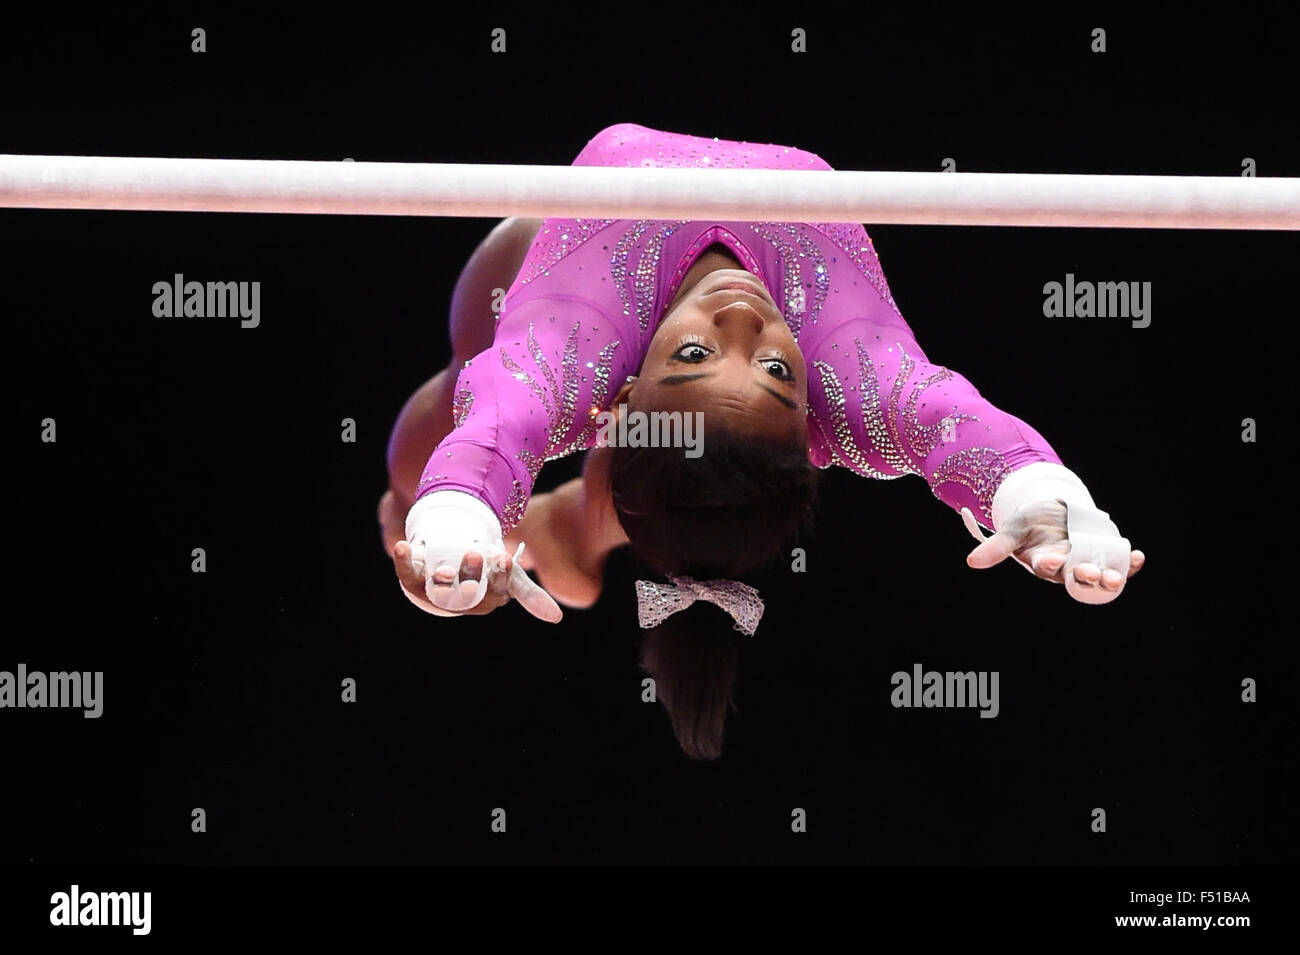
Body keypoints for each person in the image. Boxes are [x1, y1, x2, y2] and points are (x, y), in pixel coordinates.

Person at [379, 123, 1145, 759]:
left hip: (568, 273)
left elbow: (496, 428)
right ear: (815, 412)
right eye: (777, 367)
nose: (742, 321)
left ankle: (553, 515)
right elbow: (958, 425)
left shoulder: (570, 353)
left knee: (458, 417)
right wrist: (1042, 498)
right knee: (687, 453)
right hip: (608, 321)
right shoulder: (852, 378)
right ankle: (579, 519)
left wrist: (452, 526)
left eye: (693, 356)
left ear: (615, 405)